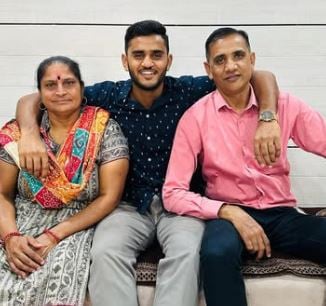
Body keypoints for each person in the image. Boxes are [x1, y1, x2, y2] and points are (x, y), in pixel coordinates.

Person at [15, 21, 280, 306]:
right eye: (138, 55)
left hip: (181, 206)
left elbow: (261, 75)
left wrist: (268, 117)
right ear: (125, 60)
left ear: (169, 59)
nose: (147, 63)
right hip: (128, 207)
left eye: (156, 54)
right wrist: (29, 133)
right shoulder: (108, 96)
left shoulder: (189, 90)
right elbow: (32, 98)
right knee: (105, 252)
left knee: (187, 253)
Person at [162, 27, 326, 306]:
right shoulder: (195, 118)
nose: (231, 66)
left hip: (281, 212)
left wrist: (268, 117)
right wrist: (228, 212)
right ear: (208, 69)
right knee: (216, 254)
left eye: (238, 56)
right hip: (228, 215)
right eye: (220, 60)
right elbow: (172, 192)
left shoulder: (284, 106)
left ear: (252, 59)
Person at [0, 56, 129, 305]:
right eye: (50, 85)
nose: (60, 91)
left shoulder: (104, 130)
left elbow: (109, 197)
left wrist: (53, 236)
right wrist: (11, 237)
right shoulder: (19, 134)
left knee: (55, 269)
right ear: (39, 94)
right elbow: (2, 194)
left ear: (82, 89)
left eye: (68, 83)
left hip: (76, 225)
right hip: (20, 220)